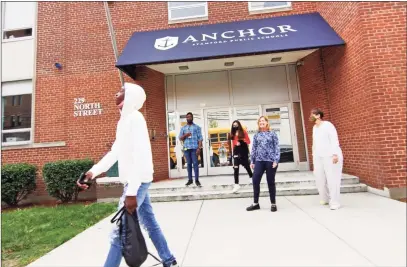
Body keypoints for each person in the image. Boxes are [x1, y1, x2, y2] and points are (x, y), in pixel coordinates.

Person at [77, 82, 178, 267]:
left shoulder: (135, 119)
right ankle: (169, 260)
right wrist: (92, 172)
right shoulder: (124, 121)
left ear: (129, 97)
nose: (116, 93)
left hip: (137, 182)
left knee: (120, 230)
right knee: (150, 223)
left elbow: (140, 156)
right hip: (135, 182)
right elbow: (115, 152)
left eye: (121, 91)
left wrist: (131, 192)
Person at [310, 108, 343, 210]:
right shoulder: (314, 127)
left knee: (332, 179)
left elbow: (334, 139)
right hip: (318, 157)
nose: (310, 116)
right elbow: (314, 143)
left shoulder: (328, 125)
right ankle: (326, 198)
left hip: (330, 156)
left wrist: (335, 154)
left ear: (318, 115)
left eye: (312, 114)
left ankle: (335, 202)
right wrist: (313, 154)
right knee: (319, 178)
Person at [247, 116, 280, 212]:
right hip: (259, 161)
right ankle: (255, 203)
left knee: (270, 182)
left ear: (266, 123)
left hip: (270, 161)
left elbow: (277, 147)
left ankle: (273, 203)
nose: (261, 122)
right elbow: (254, 148)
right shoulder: (257, 135)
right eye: (260, 121)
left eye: (263, 121)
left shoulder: (272, 134)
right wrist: (252, 161)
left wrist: (276, 160)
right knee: (255, 180)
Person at [178, 112, 203, 187]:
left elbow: (200, 139)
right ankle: (190, 180)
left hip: (194, 148)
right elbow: (180, 138)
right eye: (187, 117)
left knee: (195, 164)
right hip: (186, 148)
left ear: (192, 118)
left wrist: (199, 148)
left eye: (190, 117)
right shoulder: (183, 128)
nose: (188, 118)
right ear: (186, 118)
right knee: (188, 164)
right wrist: (185, 135)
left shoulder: (197, 127)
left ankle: (197, 180)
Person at [229, 120, 253, 193]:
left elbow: (248, 141)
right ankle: (236, 184)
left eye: (236, 125)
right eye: (234, 125)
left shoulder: (244, 132)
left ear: (239, 125)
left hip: (243, 151)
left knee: (246, 165)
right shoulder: (232, 133)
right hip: (236, 151)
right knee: (236, 168)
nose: (235, 126)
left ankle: (251, 176)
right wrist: (232, 153)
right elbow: (233, 144)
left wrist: (242, 141)